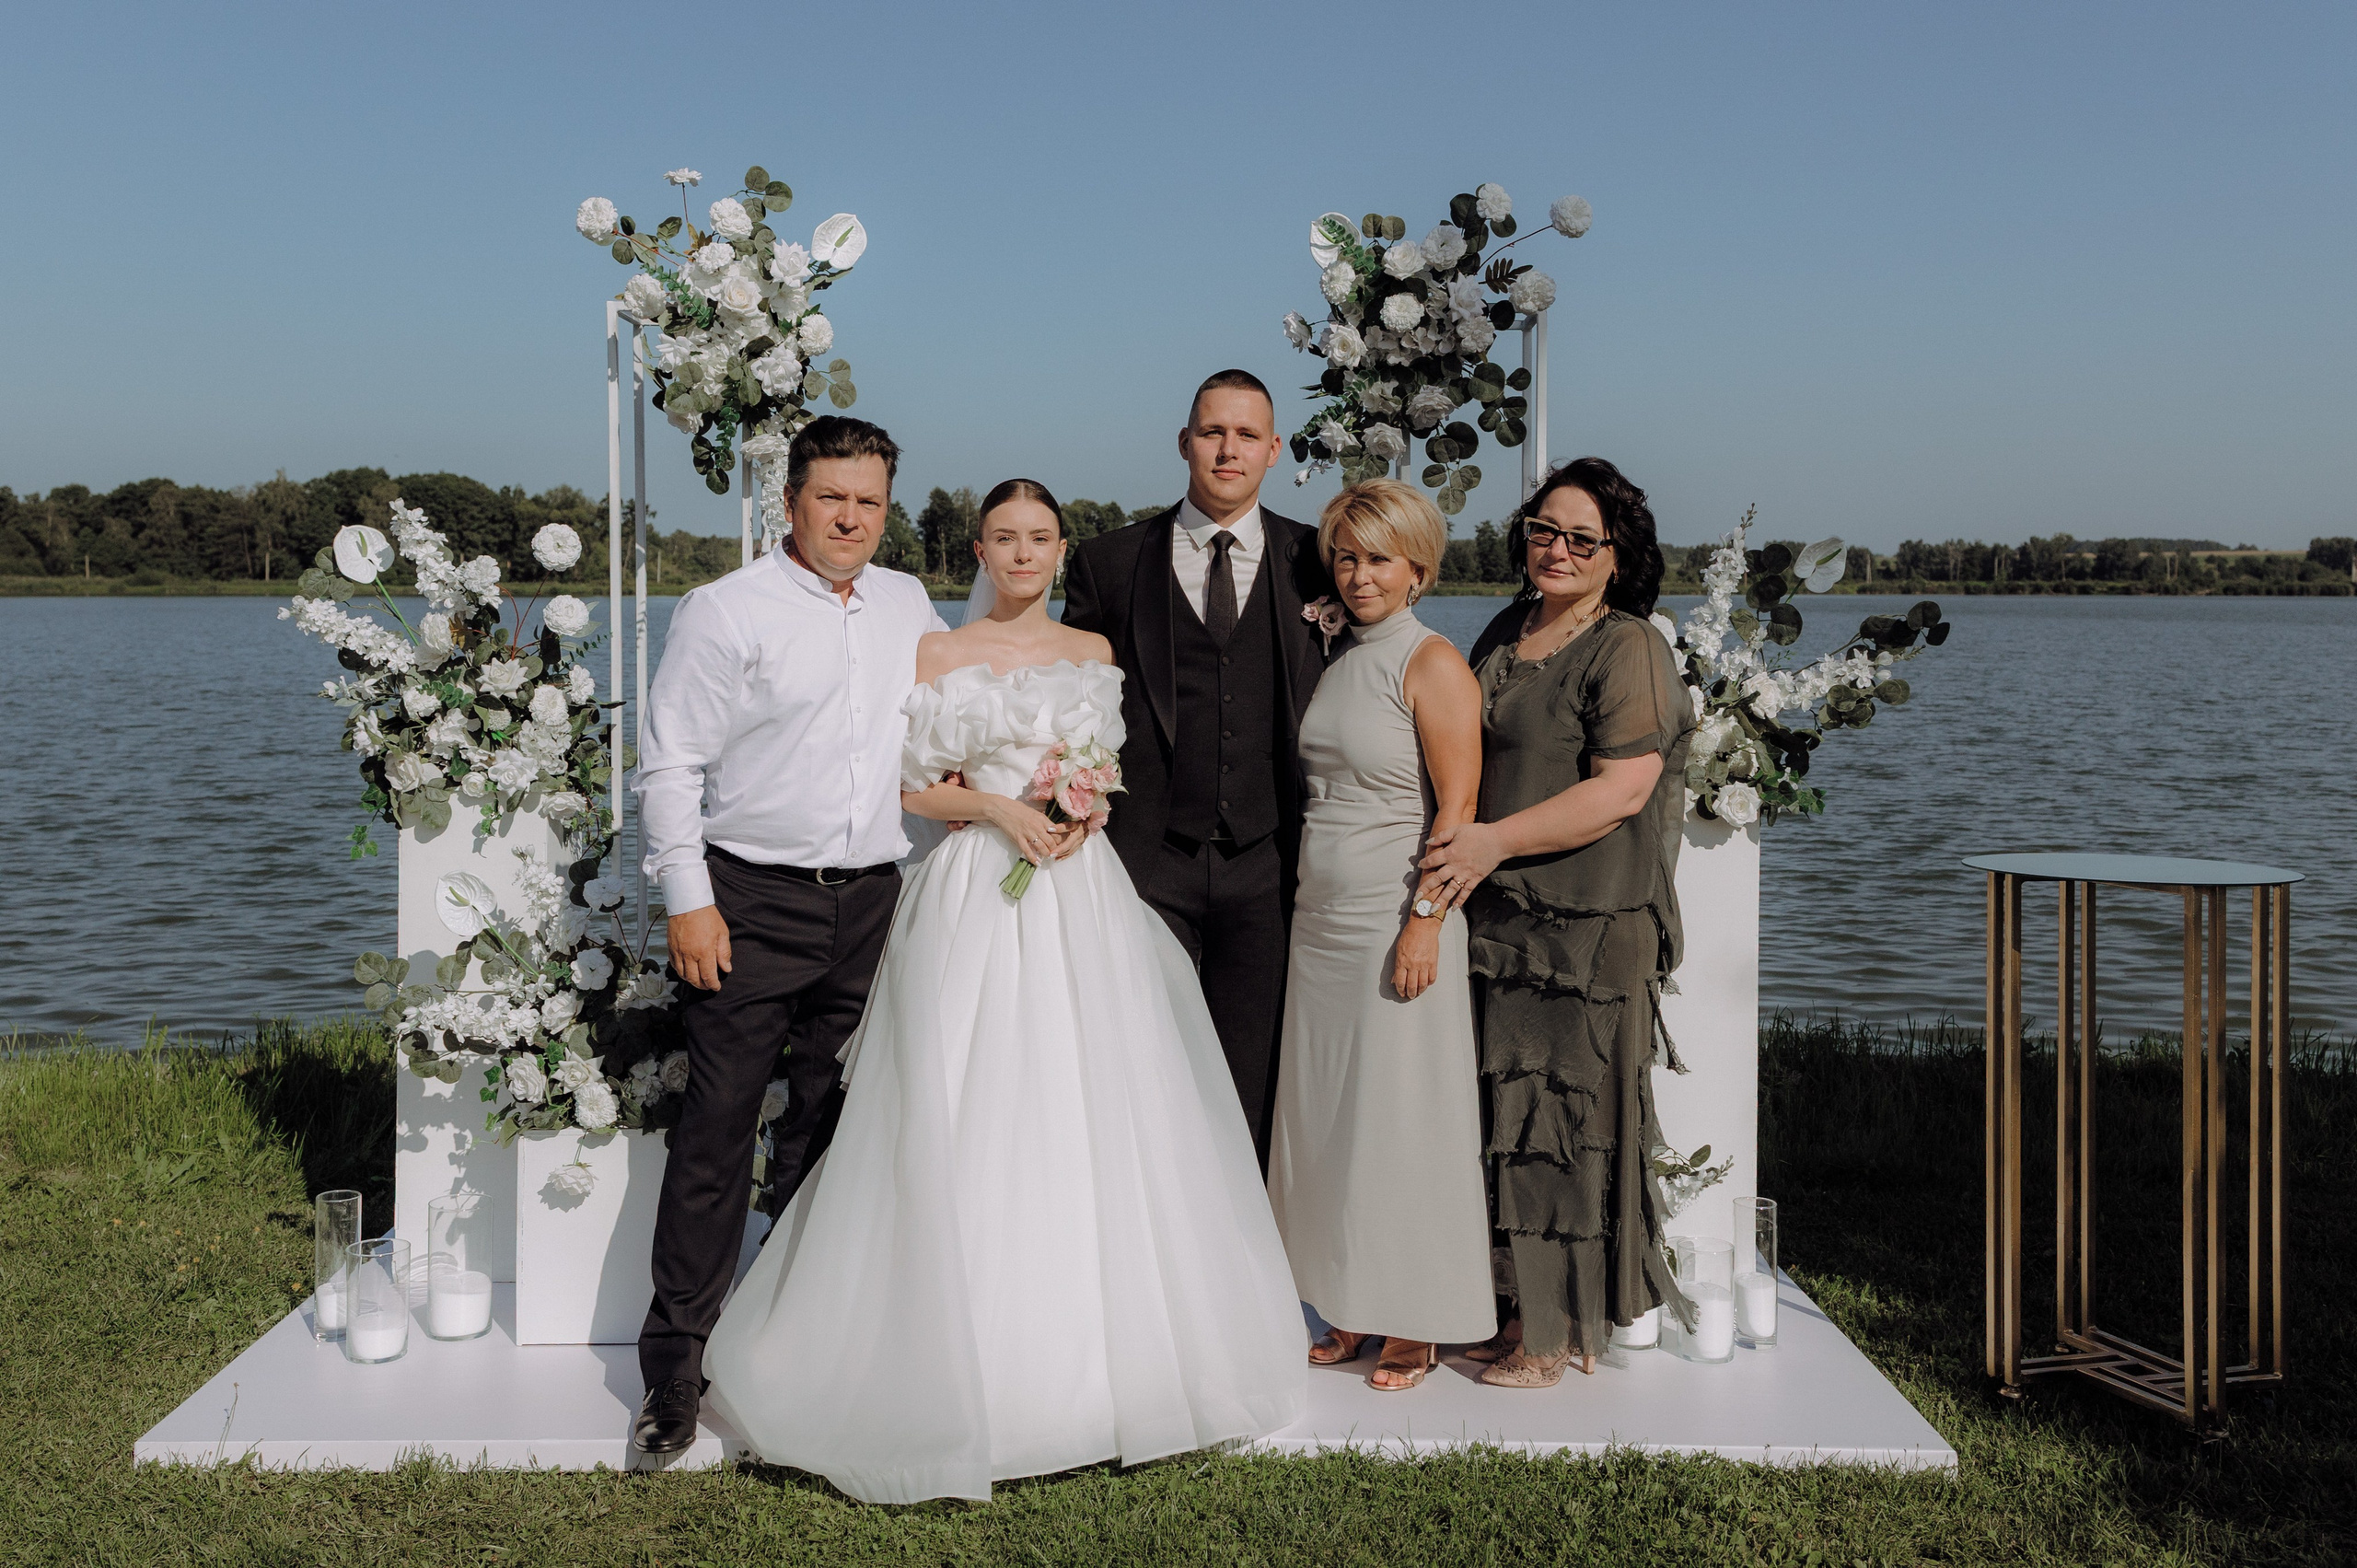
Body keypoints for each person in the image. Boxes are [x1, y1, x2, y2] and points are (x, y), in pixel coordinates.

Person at [703, 480, 1308, 1504]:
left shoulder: (1094, 654)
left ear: (1061, 549)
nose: (1021, 553)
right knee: (965, 1101)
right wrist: (994, 809)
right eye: (1003, 538)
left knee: (1092, 1105)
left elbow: (1106, 772)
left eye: (1038, 538)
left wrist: (1081, 811)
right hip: (976, 890)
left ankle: (1105, 1366)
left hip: (1080, 903)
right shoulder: (936, 651)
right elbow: (911, 788)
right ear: (977, 547)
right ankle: (945, 1354)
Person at [628, 416, 948, 1454]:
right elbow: (671, 762)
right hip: (750, 902)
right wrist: (688, 896)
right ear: (790, 504)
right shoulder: (727, 611)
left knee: (832, 1128)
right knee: (717, 1134)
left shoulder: (906, 602)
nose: (851, 517)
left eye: (868, 500)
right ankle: (674, 1373)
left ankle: (800, 1352)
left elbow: (951, 722)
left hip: (875, 903)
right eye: (831, 498)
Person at [1419, 458, 1696, 1388]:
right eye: (1544, 530)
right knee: (1506, 1122)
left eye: (1583, 538)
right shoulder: (1506, 627)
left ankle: (1555, 1331)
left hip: (1584, 925)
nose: (1559, 550)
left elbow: (1621, 787)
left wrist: (1492, 839)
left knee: (1561, 1126)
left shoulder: (1629, 647)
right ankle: (1510, 1311)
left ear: (1617, 555)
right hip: (1499, 915)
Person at [1061, 370, 1331, 1169]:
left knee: (1252, 1078)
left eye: (1248, 435)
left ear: (1274, 450)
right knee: (1138, 1068)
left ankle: (1240, 1268)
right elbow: (1071, 701)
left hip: (1270, 862)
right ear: (1185, 443)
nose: (1228, 448)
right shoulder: (1109, 563)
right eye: (1213, 432)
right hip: (1146, 862)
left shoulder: (1316, 561)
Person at [1266, 481, 1496, 1391]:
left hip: (1393, 915)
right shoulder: (1339, 653)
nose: (1361, 574)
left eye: (1380, 558)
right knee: (1328, 1118)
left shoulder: (1431, 662)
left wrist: (1424, 923)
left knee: (1401, 1120)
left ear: (1418, 569)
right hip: (1318, 920)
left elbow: (1461, 805)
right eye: (1348, 557)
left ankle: (1414, 1321)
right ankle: (1346, 1301)